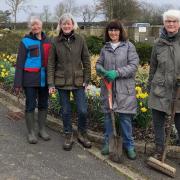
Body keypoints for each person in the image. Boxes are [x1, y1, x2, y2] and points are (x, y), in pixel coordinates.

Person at [96, 20, 139, 160]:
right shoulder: (105, 48)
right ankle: (108, 143)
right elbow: (98, 63)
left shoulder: (128, 46)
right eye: (110, 30)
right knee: (108, 117)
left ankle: (129, 145)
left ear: (120, 31)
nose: (113, 32)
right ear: (107, 32)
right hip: (108, 89)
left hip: (124, 89)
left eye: (116, 30)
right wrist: (100, 69)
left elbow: (133, 66)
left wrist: (117, 72)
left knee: (125, 118)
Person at [47, 13, 91, 151]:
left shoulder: (80, 39)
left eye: (69, 23)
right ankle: (68, 134)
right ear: (60, 25)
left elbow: (86, 61)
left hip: (78, 81)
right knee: (65, 111)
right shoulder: (55, 41)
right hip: (61, 81)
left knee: (82, 110)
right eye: (64, 23)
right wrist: (51, 84)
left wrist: (87, 80)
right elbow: (51, 64)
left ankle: (82, 134)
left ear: (73, 25)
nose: (66, 26)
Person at [147, 9, 180, 158]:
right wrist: (150, 86)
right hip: (159, 89)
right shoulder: (158, 43)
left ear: (179, 24)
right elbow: (153, 67)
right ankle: (159, 151)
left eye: (174, 21)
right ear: (164, 23)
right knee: (158, 123)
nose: (171, 24)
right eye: (168, 21)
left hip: (178, 91)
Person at [14, 16, 51, 144]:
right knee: (30, 105)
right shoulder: (25, 41)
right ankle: (31, 132)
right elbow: (20, 63)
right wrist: (17, 83)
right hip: (30, 79)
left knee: (43, 104)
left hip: (44, 79)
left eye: (37, 24)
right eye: (33, 25)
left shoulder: (49, 41)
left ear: (42, 25)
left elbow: (52, 62)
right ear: (31, 27)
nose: (35, 27)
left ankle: (41, 129)